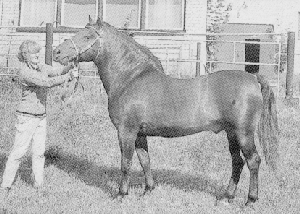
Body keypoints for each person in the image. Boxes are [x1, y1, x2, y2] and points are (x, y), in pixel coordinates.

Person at [0, 40, 77, 192]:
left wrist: (69, 67)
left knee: (39, 153)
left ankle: (38, 184)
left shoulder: (40, 67)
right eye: (33, 53)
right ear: (25, 56)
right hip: (27, 118)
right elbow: (45, 82)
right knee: (18, 152)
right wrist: (67, 77)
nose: (36, 55)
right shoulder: (25, 72)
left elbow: (55, 71)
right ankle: (6, 185)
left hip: (41, 117)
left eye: (37, 52)